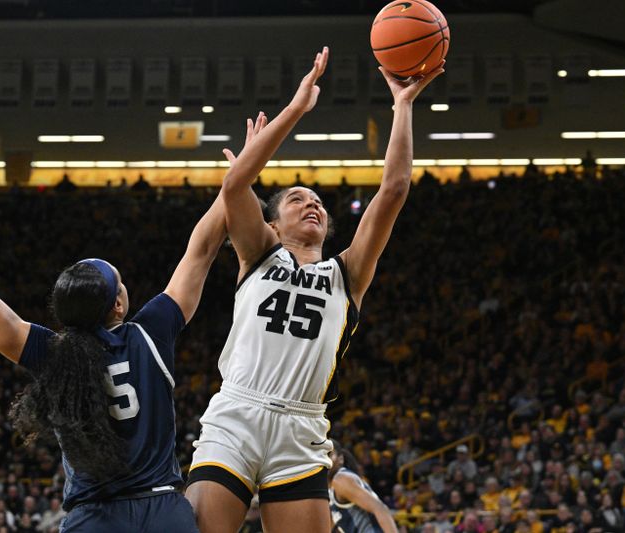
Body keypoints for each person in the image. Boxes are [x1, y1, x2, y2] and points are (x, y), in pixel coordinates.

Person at [0, 125, 255, 533]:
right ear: (118, 304)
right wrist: (238, 178)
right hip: (162, 510)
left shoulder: (52, 353)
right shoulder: (150, 332)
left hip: (94, 519)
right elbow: (201, 248)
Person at [185, 46, 444, 533]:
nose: (313, 205)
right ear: (274, 224)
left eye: (319, 202)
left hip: (302, 430)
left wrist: (403, 106)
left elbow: (394, 187)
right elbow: (235, 187)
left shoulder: (348, 274)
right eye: (297, 199)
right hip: (237, 412)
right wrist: (297, 109)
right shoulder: (259, 253)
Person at [328, 440, 397, 533]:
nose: (324, 460)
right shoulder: (330, 487)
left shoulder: (341, 479)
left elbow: (380, 509)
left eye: (329, 455)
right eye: (320, 456)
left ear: (341, 459)